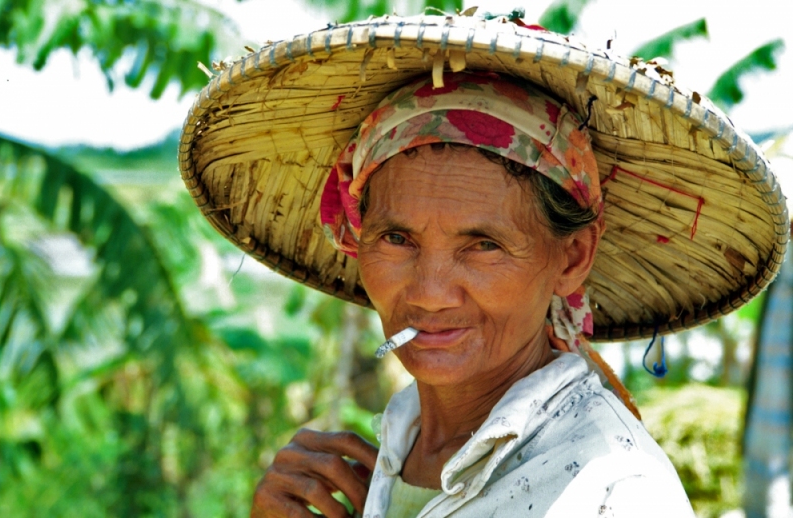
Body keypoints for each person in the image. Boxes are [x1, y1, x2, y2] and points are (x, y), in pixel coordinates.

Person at [176, 13, 789, 518]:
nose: (431, 292)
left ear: (571, 257)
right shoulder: (398, 447)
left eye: (484, 245)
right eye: (396, 238)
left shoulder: (614, 496)